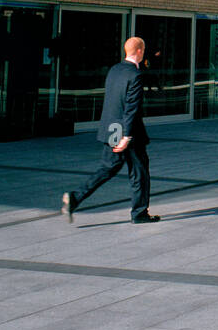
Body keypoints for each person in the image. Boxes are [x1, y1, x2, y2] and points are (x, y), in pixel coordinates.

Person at [62, 37, 159, 224]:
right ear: (140, 51)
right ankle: (139, 213)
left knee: (107, 168)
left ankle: (75, 197)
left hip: (111, 129)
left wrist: (115, 133)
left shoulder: (115, 70)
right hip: (130, 134)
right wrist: (127, 136)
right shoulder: (135, 75)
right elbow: (131, 108)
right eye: (144, 50)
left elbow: (113, 103)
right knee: (139, 173)